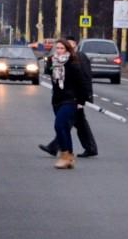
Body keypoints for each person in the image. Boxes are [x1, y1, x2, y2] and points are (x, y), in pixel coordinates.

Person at [38, 37, 94, 170]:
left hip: (71, 100)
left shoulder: (73, 63)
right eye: (57, 48)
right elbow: (53, 81)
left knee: (59, 125)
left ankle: (65, 155)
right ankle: (68, 157)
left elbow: (82, 82)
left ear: (67, 49)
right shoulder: (53, 62)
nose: (59, 51)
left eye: (62, 48)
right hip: (57, 100)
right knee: (63, 128)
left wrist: (81, 101)